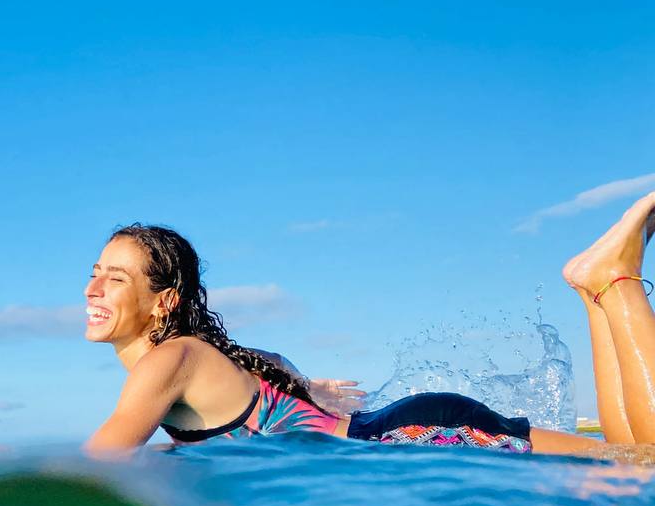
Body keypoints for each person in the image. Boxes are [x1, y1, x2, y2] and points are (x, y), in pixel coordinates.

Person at [84, 193, 655, 457]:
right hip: (403, 428)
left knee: (645, 469)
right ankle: (595, 292)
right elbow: (271, 368)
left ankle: (616, 284)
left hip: (411, 435)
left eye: (115, 278)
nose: (92, 289)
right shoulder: (196, 353)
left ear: (163, 301)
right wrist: (310, 390)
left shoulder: (170, 359)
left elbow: (100, 460)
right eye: (94, 273)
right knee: (628, 463)